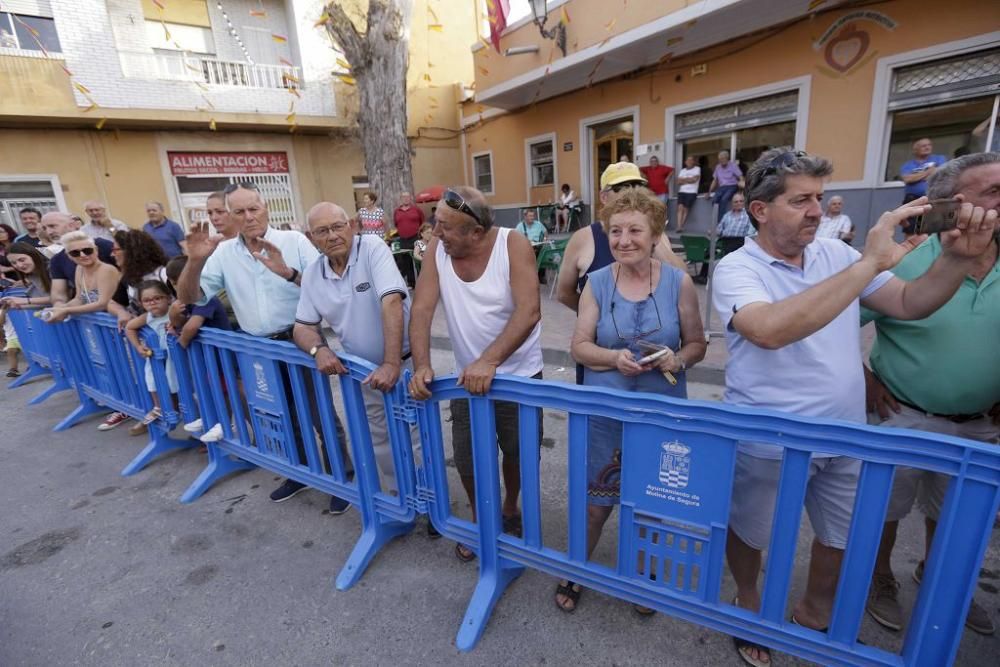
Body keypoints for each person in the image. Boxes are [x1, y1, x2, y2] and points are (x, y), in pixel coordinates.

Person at [711, 147, 996, 667]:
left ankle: (814, 616)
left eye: (819, 198)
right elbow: (768, 330)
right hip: (770, 438)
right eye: (801, 201)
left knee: (840, 538)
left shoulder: (835, 256)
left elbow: (910, 302)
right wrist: (868, 261)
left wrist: (954, 258)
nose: (818, 211)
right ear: (760, 209)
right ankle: (748, 603)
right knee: (751, 531)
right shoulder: (736, 267)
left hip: (846, 435)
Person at [863, 152, 1000, 637]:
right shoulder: (908, 259)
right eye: (993, 192)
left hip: (983, 424)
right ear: (953, 203)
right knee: (886, 510)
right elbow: (835, 327)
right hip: (906, 415)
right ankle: (878, 579)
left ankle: (943, 579)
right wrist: (865, 378)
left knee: (959, 515)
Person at [556, 187, 707, 613]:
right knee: (595, 500)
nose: (623, 240)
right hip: (606, 414)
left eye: (634, 230)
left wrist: (675, 357)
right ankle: (577, 568)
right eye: (615, 231)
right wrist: (612, 358)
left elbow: (697, 345)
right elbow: (579, 346)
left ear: (655, 233)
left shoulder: (679, 284)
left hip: (661, 415)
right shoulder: (599, 284)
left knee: (652, 500)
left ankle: (644, 577)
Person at [175, 183, 351, 513]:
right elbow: (189, 297)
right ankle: (300, 472)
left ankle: (341, 476)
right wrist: (194, 262)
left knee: (320, 414)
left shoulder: (294, 241)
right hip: (260, 350)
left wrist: (287, 273)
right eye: (238, 211)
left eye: (253, 208)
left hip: (301, 341)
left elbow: (328, 285)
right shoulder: (224, 253)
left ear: (265, 207)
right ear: (229, 216)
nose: (248, 217)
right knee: (283, 415)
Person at [408, 186, 543, 562]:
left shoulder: (512, 245)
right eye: (436, 222)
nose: (435, 232)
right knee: (467, 455)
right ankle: (480, 517)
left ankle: (510, 508)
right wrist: (421, 364)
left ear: (476, 233)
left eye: (446, 227)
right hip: (468, 378)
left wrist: (491, 360)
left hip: (519, 375)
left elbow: (529, 311)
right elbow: (421, 309)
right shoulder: (438, 249)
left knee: (518, 452)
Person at [294, 202, 425, 508]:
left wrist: (392, 362)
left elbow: (392, 300)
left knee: (416, 436)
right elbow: (302, 327)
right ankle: (400, 497)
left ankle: (428, 500)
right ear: (311, 238)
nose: (332, 235)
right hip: (363, 372)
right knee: (380, 439)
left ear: (352, 225)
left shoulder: (372, 248)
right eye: (322, 231)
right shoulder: (314, 274)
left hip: (402, 364)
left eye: (338, 226)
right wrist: (319, 349)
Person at [124, 280, 180, 432]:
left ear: (168, 298)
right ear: (141, 303)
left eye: (158, 298)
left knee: (175, 382)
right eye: (147, 300)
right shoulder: (147, 317)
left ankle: (177, 408)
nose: (153, 303)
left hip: (176, 357)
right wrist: (138, 346)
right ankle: (159, 407)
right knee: (151, 379)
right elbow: (129, 327)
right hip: (157, 357)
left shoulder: (173, 312)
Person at [41, 212, 117, 307]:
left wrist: (66, 310)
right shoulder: (57, 260)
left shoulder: (103, 245)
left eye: (52, 226)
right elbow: (61, 295)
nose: (49, 232)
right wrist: (59, 306)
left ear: (71, 225)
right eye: (44, 228)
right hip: (92, 315)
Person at [43, 231, 122, 324]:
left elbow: (102, 304)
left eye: (87, 250)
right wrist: (58, 308)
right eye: (75, 253)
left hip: (117, 322)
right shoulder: (79, 269)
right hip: (99, 325)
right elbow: (80, 299)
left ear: (96, 250)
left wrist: (66, 310)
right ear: (69, 256)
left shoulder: (106, 270)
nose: (83, 255)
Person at [899, 138, 948, 236]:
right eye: (923, 146)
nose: (927, 147)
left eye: (929, 145)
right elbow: (908, 179)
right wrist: (928, 172)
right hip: (913, 200)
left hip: (935, 199)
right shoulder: (908, 165)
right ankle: (911, 250)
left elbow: (942, 173)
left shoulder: (939, 159)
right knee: (911, 230)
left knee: (934, 231)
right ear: (915, 150)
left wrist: (917, 176)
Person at [393, 192, 424, 288]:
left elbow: (422, 222)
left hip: (416, 238)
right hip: (403, 239)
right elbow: (396, 224)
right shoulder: (396, 211)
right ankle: (412, 283)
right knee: (406, 262)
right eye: (404, 197)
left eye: (408, 197)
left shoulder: (417, 210)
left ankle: (422, 282)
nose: (406, 199)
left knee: (419, 260)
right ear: (401, 199)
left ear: (410, 198)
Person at [709, 151, 744, 223]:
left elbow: (740, 177)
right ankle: (716, 221)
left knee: (723, 200)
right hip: (722, 187)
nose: (721, 160)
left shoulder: (733, 165)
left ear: (727, 158)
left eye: (723, 158)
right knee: (714, 200)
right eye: (720, 159)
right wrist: (709, 192)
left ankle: (720, 222)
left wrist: (742, 190)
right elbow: (715, 180)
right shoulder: (718, 167)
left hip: (732, 186)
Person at [675, 155, 701, 233]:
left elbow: (694, 180)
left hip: (691, 192)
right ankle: (679, 226)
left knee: (686, 209)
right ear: (685, 162)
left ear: (693, 162)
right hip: (682, 191)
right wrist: (689, 179)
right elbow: (678, 182)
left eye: (691, 160)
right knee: (680, 208)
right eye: (688, 160)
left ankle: (681, 226)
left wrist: (684, 180)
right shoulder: (682, 170)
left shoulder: (697, 169)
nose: (689, 162)